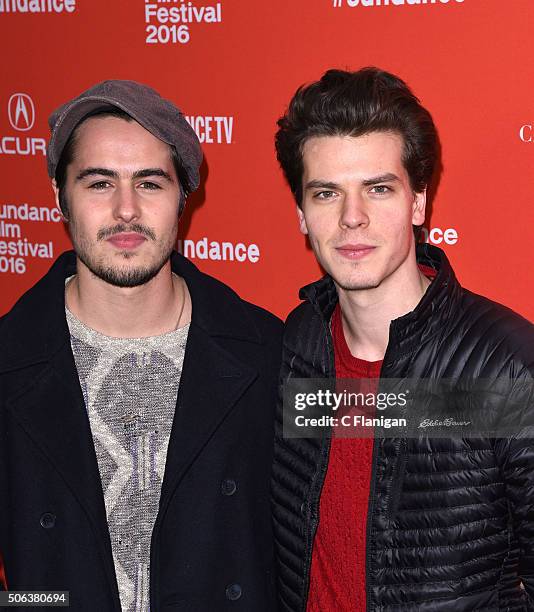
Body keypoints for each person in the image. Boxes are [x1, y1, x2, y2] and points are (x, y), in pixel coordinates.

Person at [0, 80, 282, 611]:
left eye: (150, 183)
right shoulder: (8, 360)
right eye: (99, 183)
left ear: (183, 198)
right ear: (60, 197)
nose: (126, 210)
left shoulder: (267, 353)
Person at [271, 67, 534, 611]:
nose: (352, 218)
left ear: (418, 203)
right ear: (301, 215)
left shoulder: (508, 368)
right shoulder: (295, 346)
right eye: (326, 194)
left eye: (378, 188)